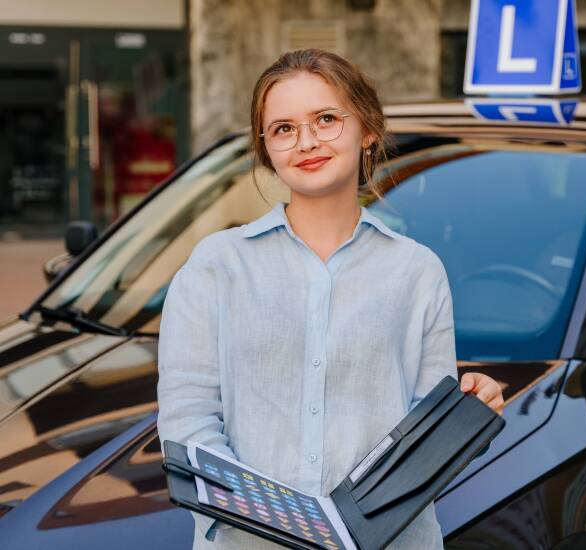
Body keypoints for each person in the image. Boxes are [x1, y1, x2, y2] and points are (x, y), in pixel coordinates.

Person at [156, 49, 505, 550]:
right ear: (267, 151)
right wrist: (291, 527)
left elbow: (420, 446)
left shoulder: (417, 271)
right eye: (283, 129)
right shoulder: (216, 267)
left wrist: (467, 414)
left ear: (367, 130)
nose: (307, 142)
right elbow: (188, 421)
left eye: (325, 119)